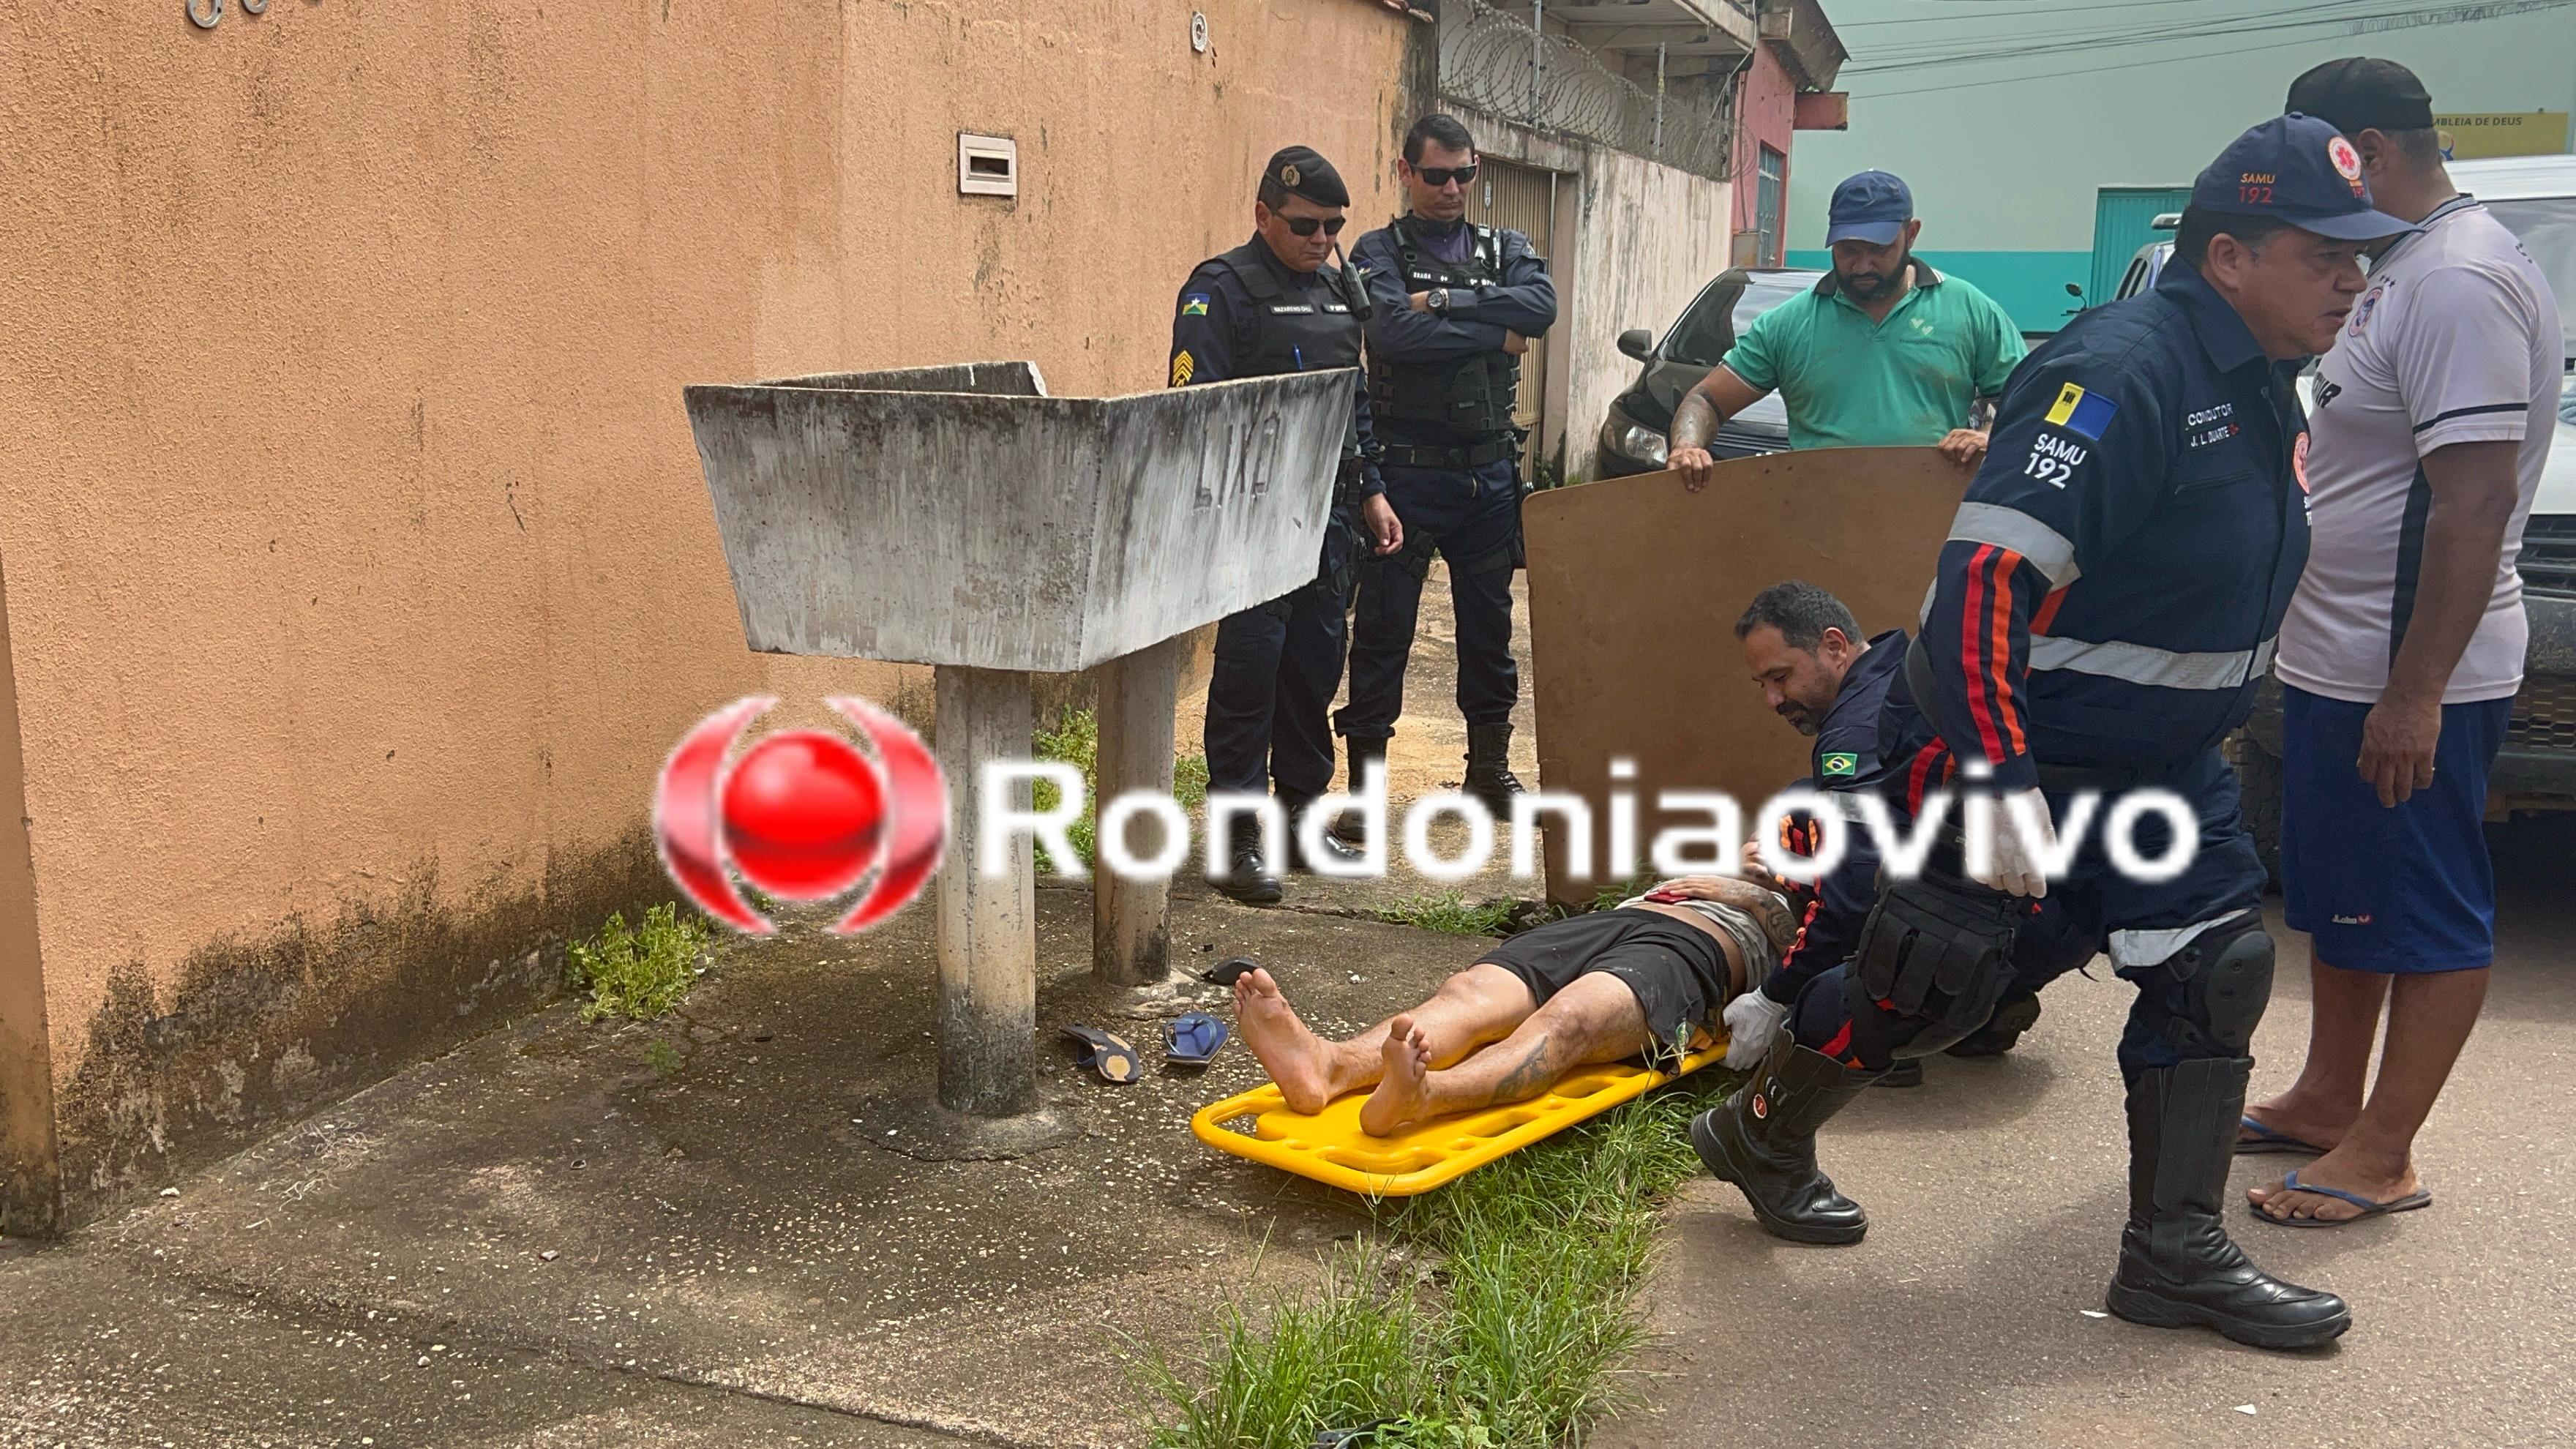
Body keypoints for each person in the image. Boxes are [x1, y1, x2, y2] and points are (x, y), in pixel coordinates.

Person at [1688, 115, 2416, 1352]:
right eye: (2323, 253)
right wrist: (2000, 784)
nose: (2356, 277)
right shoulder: (2125, 374)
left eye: (2366, 254)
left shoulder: (2254, 377)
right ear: (2230, 257)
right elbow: (1981, 583)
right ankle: (1760, 1130)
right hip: (2024, 755)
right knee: (1931, 993)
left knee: (2216, 972)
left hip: (2164, 772)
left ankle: (2173, 1256)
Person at [2241, 60, 2561, 1229]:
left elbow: (2472, 505)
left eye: (2323, 172)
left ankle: (2385, 1152)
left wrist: (2416, 694)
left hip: (2409, 670)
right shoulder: (2405, 270)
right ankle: (2332, 1098)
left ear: (2367, 150)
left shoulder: (2460, 284)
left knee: (2423, 909)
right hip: (2344, 660)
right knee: (2348, 897)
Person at [1168, 146, 1405, 904]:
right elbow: (1193, 410)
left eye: (1334, 226)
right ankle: (1237, 840)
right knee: (1249, 674)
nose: (1322, 239)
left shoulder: (1340, 286)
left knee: (1312, 667)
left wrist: (1372, 490)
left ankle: (1302, 817)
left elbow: (1352, 400)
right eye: (1305, 225)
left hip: (1328, 514)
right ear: (1263, 214)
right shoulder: (1220, 291)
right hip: (1252, 516)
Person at [1336, 114, 1559, 830]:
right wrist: (1495, 332)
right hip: (1404, 473)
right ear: (1406, 173)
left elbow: (1542, 308)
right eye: (1436, 176)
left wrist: (1446, 302)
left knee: (1488, 634)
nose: (1452, 188)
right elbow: (1388, 330)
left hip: (1489, 474)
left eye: (1464, 174)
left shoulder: (1506, 247)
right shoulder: (1378, 249)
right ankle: (1364, 798)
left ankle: (1488, 775)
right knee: (1382, 631)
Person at [1229, 875, 1797, 1136]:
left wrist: (1745, 893)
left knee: (1571, 1020)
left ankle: (1425, 1097)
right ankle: (1330, 1066)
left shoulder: (1829, 881)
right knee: (1469, 994)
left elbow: (1817, 935)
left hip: (1698, 948)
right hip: (1622, 917)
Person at [1665, 170, 2028, 489]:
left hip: (1927, 522)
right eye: (1848, 250)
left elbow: (2033, 403)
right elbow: (1705, 401)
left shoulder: (1969, 310)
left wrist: (1988, 436)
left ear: (1912, 234)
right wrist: (1687, 447)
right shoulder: (1790, 324)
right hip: (1819, 523)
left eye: (1878, 249)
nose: (1862, 265)